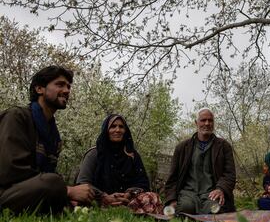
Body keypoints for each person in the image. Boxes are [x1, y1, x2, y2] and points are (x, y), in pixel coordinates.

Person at [0, 66, 94, 214]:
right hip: (6, 192)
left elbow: (46, 173)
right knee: (54, 183)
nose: (67, 90)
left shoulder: (54, 135)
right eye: (60, 84)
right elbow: (11, 171)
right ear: (39, 89)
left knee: (81, 197)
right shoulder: (17, 117)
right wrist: (66, 190)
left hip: (32, 192)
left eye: (68, 86)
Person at [76, 114, 163, 214]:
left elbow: (143, 182)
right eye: (113, 126)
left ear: (125, 131)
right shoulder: (94, 154)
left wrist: (128, 194)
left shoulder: (132, 155)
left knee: (152, 197)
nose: (117, 130)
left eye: (121, 127)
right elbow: (83, 183)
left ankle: (125, 210)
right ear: (106, 130)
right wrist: (105, 197)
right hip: (99, 200)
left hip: (127, 201)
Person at [164, 108, 236, 214]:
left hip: (211, 193)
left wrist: (220, 189)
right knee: (185, 208)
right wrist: (172, 200)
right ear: (196, 123)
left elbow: (230, 174)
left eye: (210, 120)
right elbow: (172, 177)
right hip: (188, 193)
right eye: (203, 120)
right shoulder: (182, 147)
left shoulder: (223, 146)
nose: (207, 123)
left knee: (214, 210)